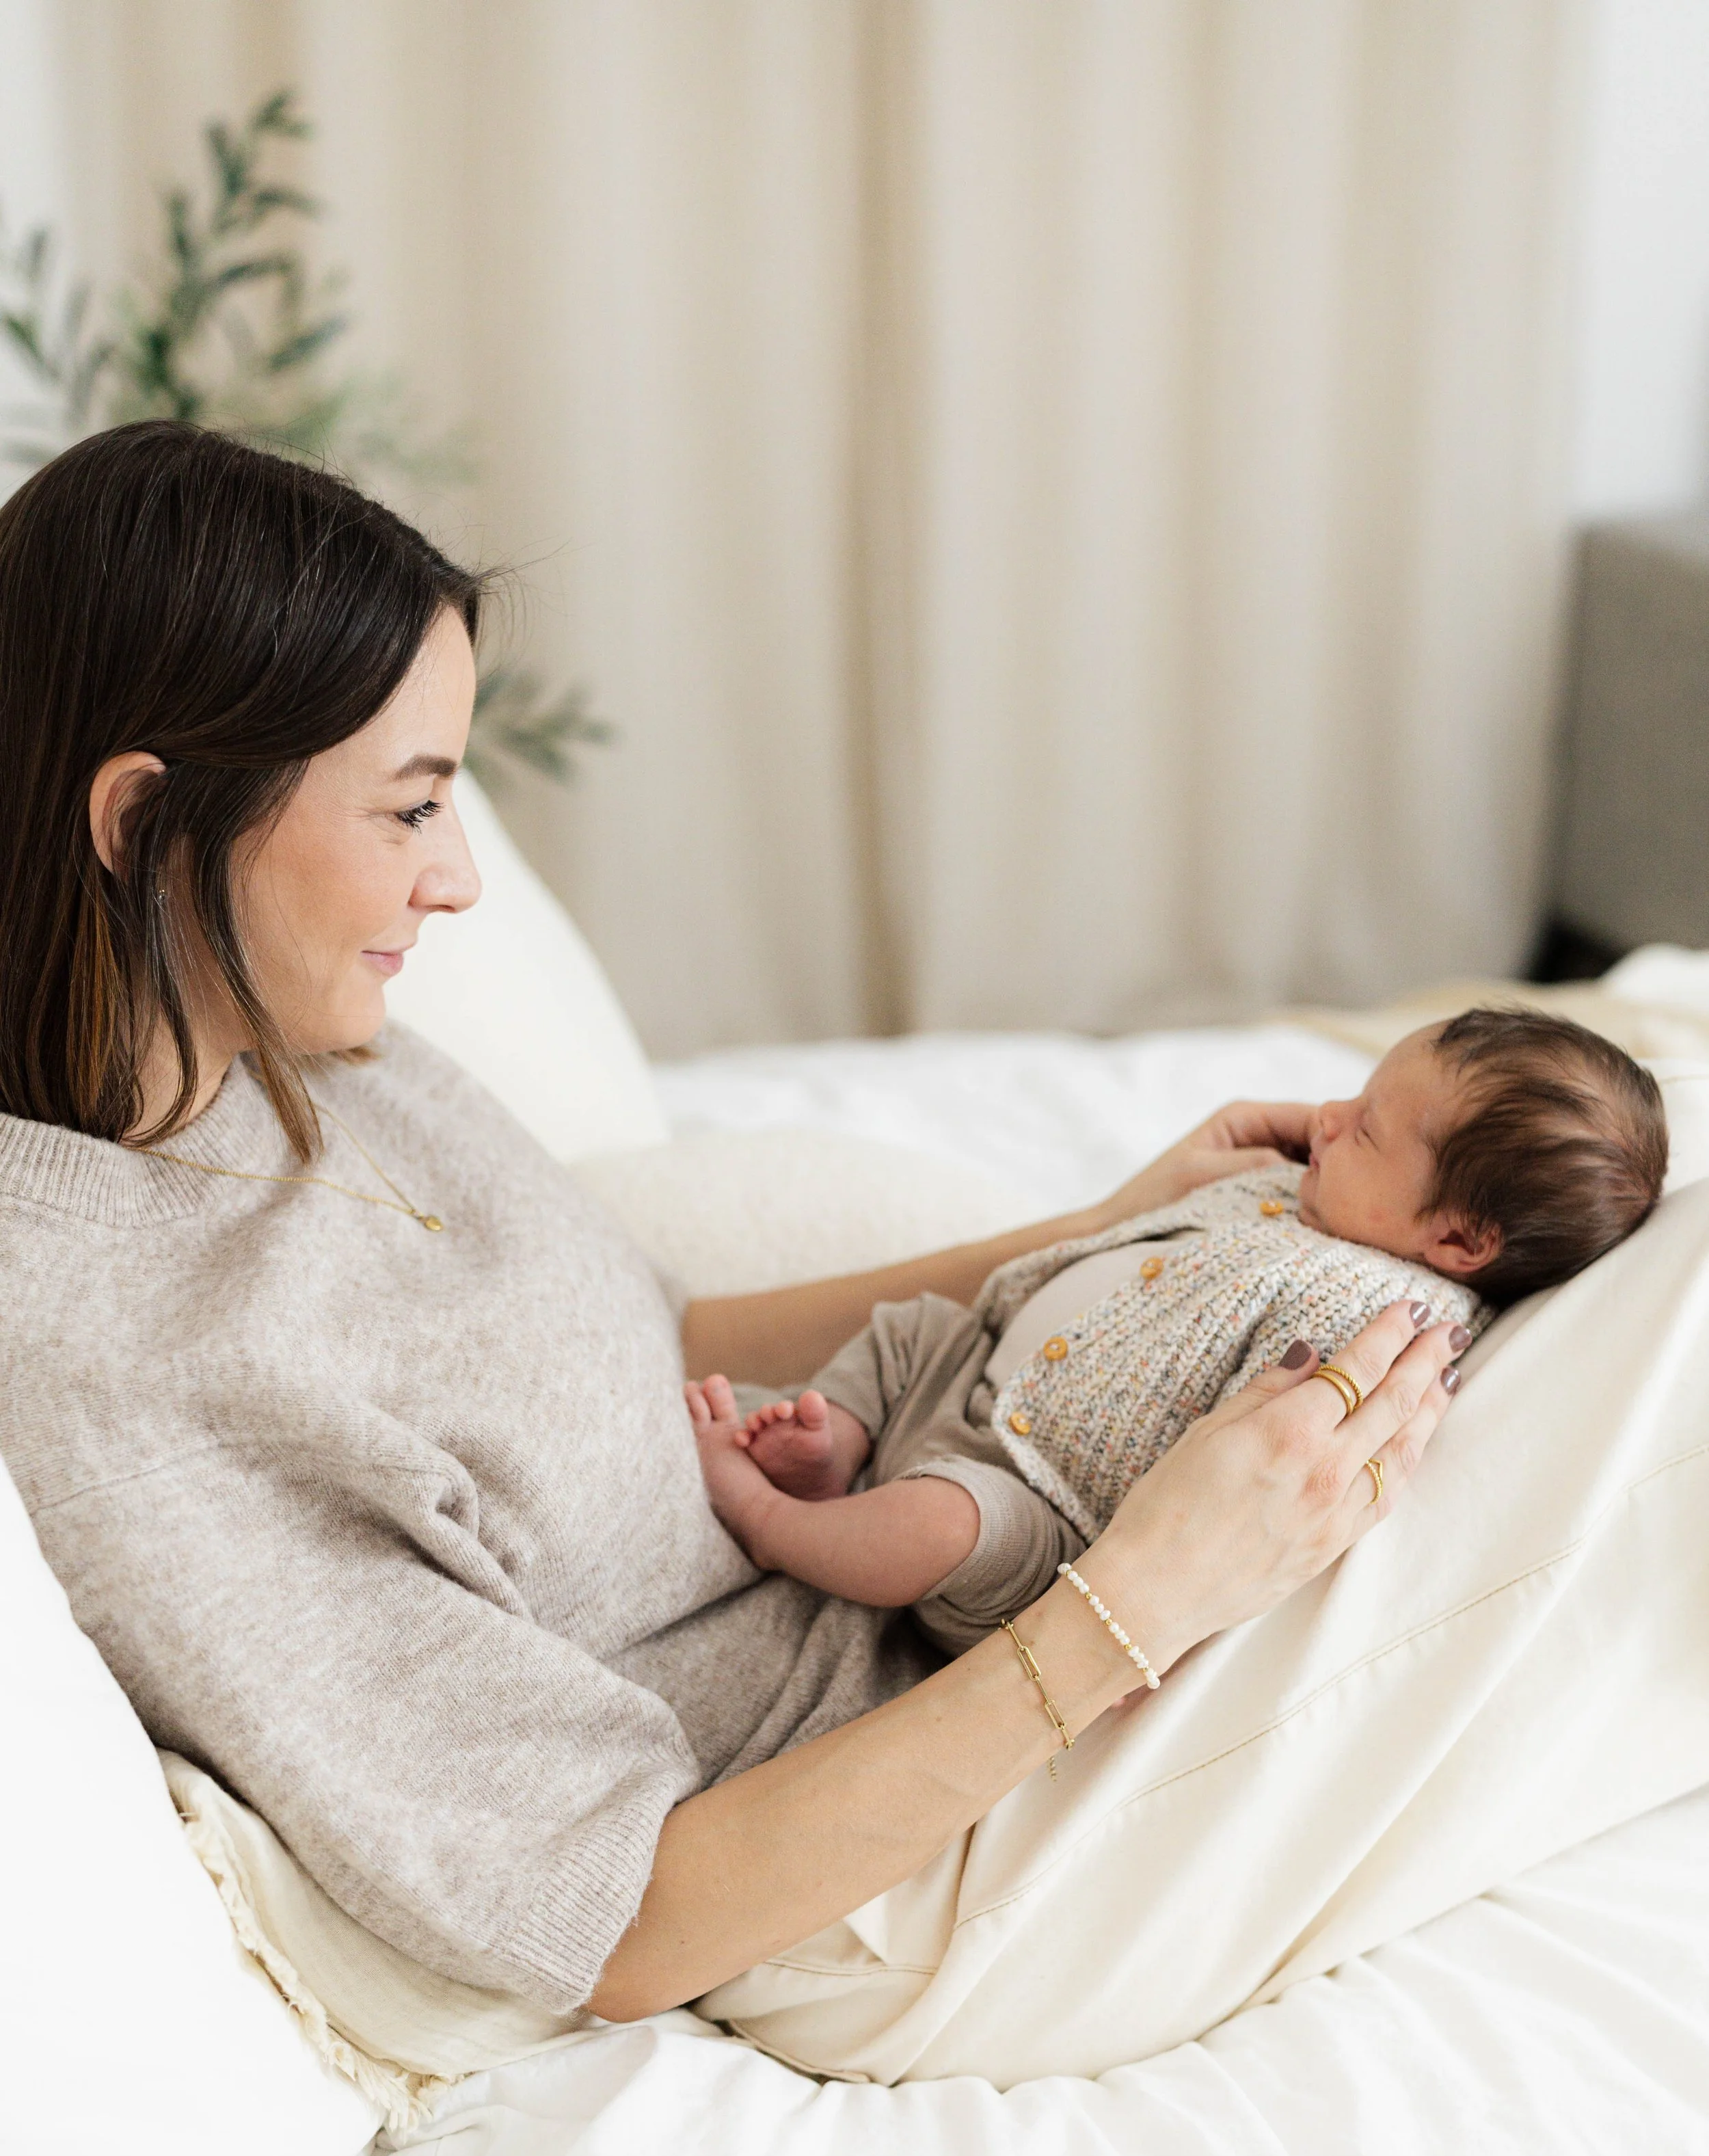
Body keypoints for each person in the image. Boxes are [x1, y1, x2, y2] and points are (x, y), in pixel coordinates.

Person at [0, 421, 1464, 2056]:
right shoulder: (121, 1358)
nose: (460, 878)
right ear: (143, 822)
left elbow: (651, 1348)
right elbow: (617, 1915)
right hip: (870, 1866)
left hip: (974, 1630)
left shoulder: (298, 1049)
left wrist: (1102, 1233)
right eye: (408, 810)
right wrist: (1147, 1593)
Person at [684, 1015, 1665, 1651]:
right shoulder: (1301, 1189)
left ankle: (780, 1528)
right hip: (972, 1368)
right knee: (904, 1332)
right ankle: (836, 1450)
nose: (1326, 1115)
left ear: (1458, 1238)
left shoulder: (1391, 1328)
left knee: (945, 1524)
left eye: (1365, 1126)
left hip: (1039, 1506)